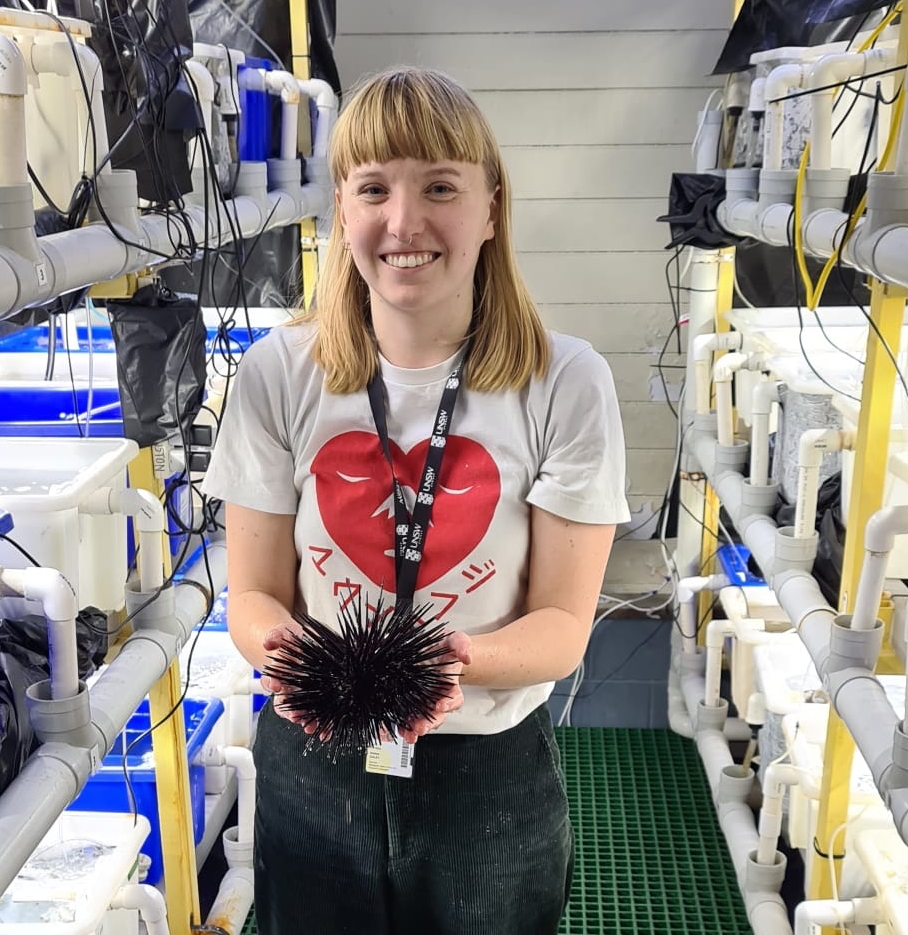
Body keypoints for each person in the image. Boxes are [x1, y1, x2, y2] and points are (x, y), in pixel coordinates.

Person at [202, 66, 630, 934]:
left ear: (491, 209)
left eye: (439, 187)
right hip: (313, 756)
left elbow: (560, 627)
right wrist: (284, 651)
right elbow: (251, 596)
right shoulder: (278, 374)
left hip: (487, 772)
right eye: (373, 189)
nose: (403, 223)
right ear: (341, 210)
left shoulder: (566, 382)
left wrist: (452, 660)